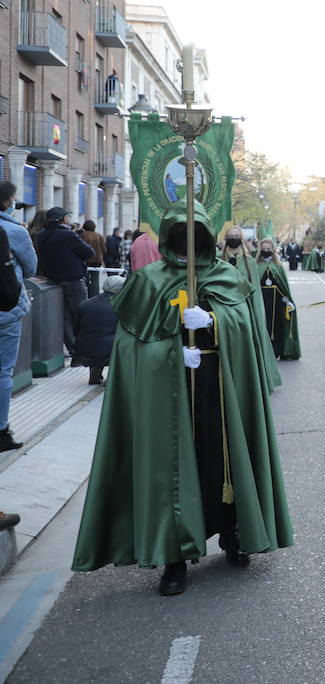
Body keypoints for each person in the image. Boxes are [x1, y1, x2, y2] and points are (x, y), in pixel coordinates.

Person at [72, 202, 293, 596]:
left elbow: (246, 333)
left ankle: (232, 534)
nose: (189, 244)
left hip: (218, 389)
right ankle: (174, 557)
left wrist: (215, 321)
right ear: (169, 237)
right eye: (180, 236)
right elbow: (130, 351)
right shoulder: (148, 282)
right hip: (168, 398)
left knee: (220, 461)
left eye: (197, 236)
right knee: (173, 471)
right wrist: (172, 353)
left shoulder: (226, 276)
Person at [221, 225, 284, 391]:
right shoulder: (218, 260)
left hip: (244, 312)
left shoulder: (250, 263)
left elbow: (255, 293)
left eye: (236, 235)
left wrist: (257, 316)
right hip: (223, 312)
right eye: (230, 235)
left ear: (241, 239)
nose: (233, 237)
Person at [0, 183, 37, 453]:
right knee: (3, 371)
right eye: (13, 198)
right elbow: (31, 268)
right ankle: (1, 431)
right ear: (6, 202)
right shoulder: (15, 231)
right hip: (7, 310)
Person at [35, 207, 95, 357]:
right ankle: (83, 350)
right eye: (67, 216)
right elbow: (89, 252)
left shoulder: (42, 235)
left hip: (53, 280)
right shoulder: (67, 235)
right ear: (62, 219)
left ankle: (73, 349)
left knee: (64, 317)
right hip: (73, 279)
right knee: (79, 314)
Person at [73, 274, 124, 385]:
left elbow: (75, 331)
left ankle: (95, 368)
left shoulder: (85, 305)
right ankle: (112, 377)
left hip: (83, 352)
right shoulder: (122, 306)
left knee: (99, 339)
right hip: (110, 353)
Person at [257, 239, 300, 361]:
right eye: (263, 249)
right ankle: (266, 352)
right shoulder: (256, 265)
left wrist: (287, 300)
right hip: (263, 301)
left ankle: (278, 350)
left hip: (278, 301)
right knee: (265, 325)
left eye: (268, 249)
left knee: (278, 325)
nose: (266, 251)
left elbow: (283, 286)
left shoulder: (278, 266)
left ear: (273, 250)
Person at [81, 220, 108, 292]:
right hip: (97, 260)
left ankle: (87, 294)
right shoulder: (99, 236)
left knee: (85, 278)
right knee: (95, 279)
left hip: (86, 260)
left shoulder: (83, 235)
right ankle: (95, 294)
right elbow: (104, 250)